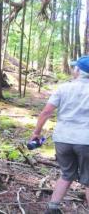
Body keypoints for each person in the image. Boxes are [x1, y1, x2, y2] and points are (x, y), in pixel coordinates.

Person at [30, 55, 89, 214]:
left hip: (63, 139)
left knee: (66, 174)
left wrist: (36, 133)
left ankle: (53, 207)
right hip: (86, 141)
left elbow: (46, 112)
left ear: (78, 70)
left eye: (75, 67)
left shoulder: (63, 88)